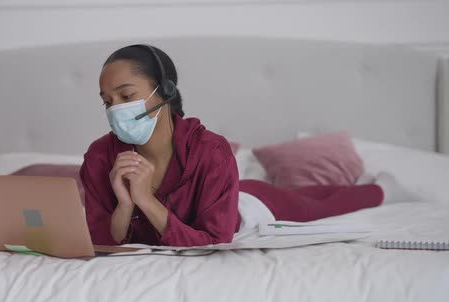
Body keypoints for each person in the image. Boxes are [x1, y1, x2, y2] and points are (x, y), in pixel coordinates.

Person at [80, 44, 409, 247]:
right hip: (229, 195)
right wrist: (125, 206)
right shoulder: (99, 157)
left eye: (126, 96)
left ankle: (381, 189)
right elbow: (99, 240)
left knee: (317, 205)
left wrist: (146, 201)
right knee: (309, 194)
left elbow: (214, 240)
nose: (115, 110)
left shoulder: (211, 150)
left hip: (246, 206)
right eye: (107, 101)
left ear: (164, 91)